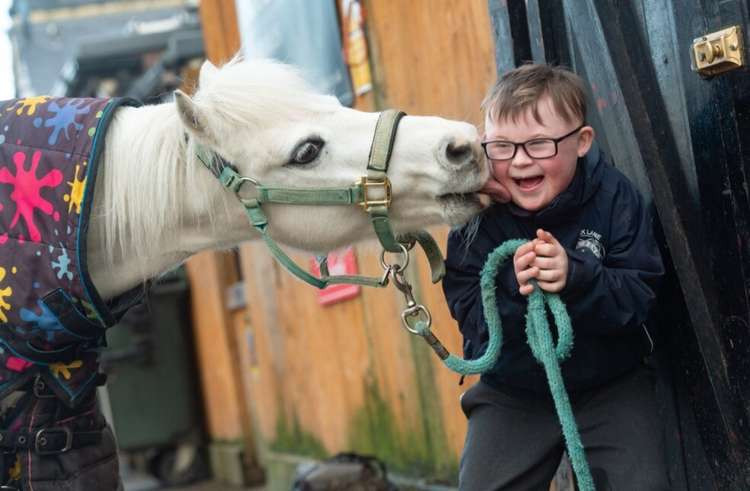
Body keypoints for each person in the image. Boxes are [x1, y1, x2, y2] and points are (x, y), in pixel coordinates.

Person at [442, 64, 670, 490]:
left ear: (581, 143)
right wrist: (510, 287)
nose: (521, 161)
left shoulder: (616, 199)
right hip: (512, 392)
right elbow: (472, 321)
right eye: (502, 147)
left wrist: (578, 278)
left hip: (610, 385)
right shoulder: (474, 220)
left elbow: (639, 298)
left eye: (539, 144)